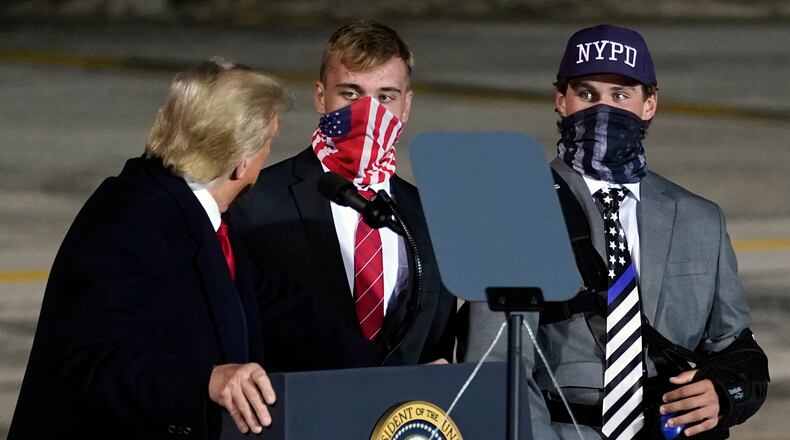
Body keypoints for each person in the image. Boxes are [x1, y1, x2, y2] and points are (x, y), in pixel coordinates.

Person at [463, 24, 768, 439]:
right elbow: (498, 369)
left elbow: (736, 348)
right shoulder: (515, 212)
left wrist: (726, 392)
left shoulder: (700, 219)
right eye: (587, 94)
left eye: (621, 95)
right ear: (561, 101)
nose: (602, 110)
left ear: (649, 104)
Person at [9, 60, 291, 439]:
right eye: (269, 143)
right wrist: (205, 381)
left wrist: (385, 371)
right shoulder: (131, 222)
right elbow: (88, 366)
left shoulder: (200, 215)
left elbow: (275, 301)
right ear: (240, 161)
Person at [230, 20, 457, 371]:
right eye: (350, 94)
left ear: (406, 106)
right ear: (321, 97)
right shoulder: (255, 202)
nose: (368, 113)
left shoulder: (431, 217)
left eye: (385, 97)